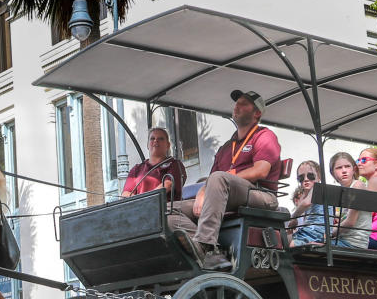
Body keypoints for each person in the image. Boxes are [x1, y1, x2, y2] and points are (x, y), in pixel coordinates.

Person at [167, 90, 280, 269]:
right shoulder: (227, 146)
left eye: (244, 104)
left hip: (260, 194)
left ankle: (207, 245)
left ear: (257, 113)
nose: (237, 106)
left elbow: (261, 171)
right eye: (237, 103)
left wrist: (224, 179)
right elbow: (211, 178)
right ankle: (206, 251)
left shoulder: (264, 135)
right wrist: (202, 192)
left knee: (220, 178)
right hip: (224, 193)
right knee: (166, 210)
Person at [121, 126, 188, 201]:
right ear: (147, 145)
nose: (156, 140)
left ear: (168, 145)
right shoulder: (136, 169)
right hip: (140, 209)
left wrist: (143, 201)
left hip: (166, 209)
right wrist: (138, 203)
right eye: (152, 138)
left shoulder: (175, 164)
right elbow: (126, 193)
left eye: (161, 139)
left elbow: (167, 185)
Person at [328, 152, 371, 248]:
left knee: (312, 244)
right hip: (341, 240)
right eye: (339, 168)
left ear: (354, 169)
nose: (344, 171)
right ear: (332, 173)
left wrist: (328, 233)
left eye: (347, 166)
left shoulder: (357, 186)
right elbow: (338, 219)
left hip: (354, 243)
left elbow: (350, 222)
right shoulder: (340, 193)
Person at [290, 160, 328, 246]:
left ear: (319, 177)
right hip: (311, 230)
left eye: (311, 176)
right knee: (284, 239)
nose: (306, 179)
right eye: (301, 178)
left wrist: (293, 218)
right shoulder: (305, 194)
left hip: (317, 231)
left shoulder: (318, 188)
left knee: (289, 244)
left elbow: (306, 204)